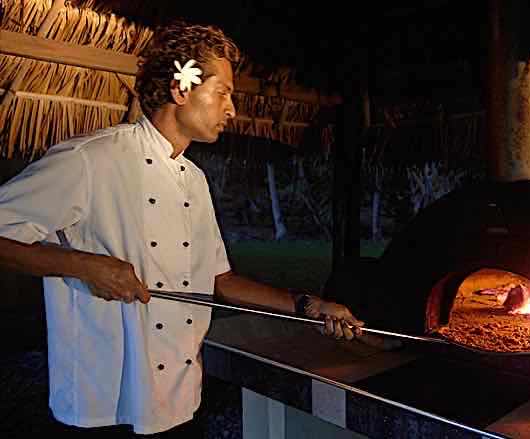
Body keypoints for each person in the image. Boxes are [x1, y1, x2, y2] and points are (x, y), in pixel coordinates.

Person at [0, 21, 364, 437]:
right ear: (181, 88)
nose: (232, 109)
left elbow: (219, 279)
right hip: (104, 405)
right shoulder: (90, 159)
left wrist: (307, 305)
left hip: (179, 398)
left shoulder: (193, 178)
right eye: (223, 92)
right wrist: (83, 265)